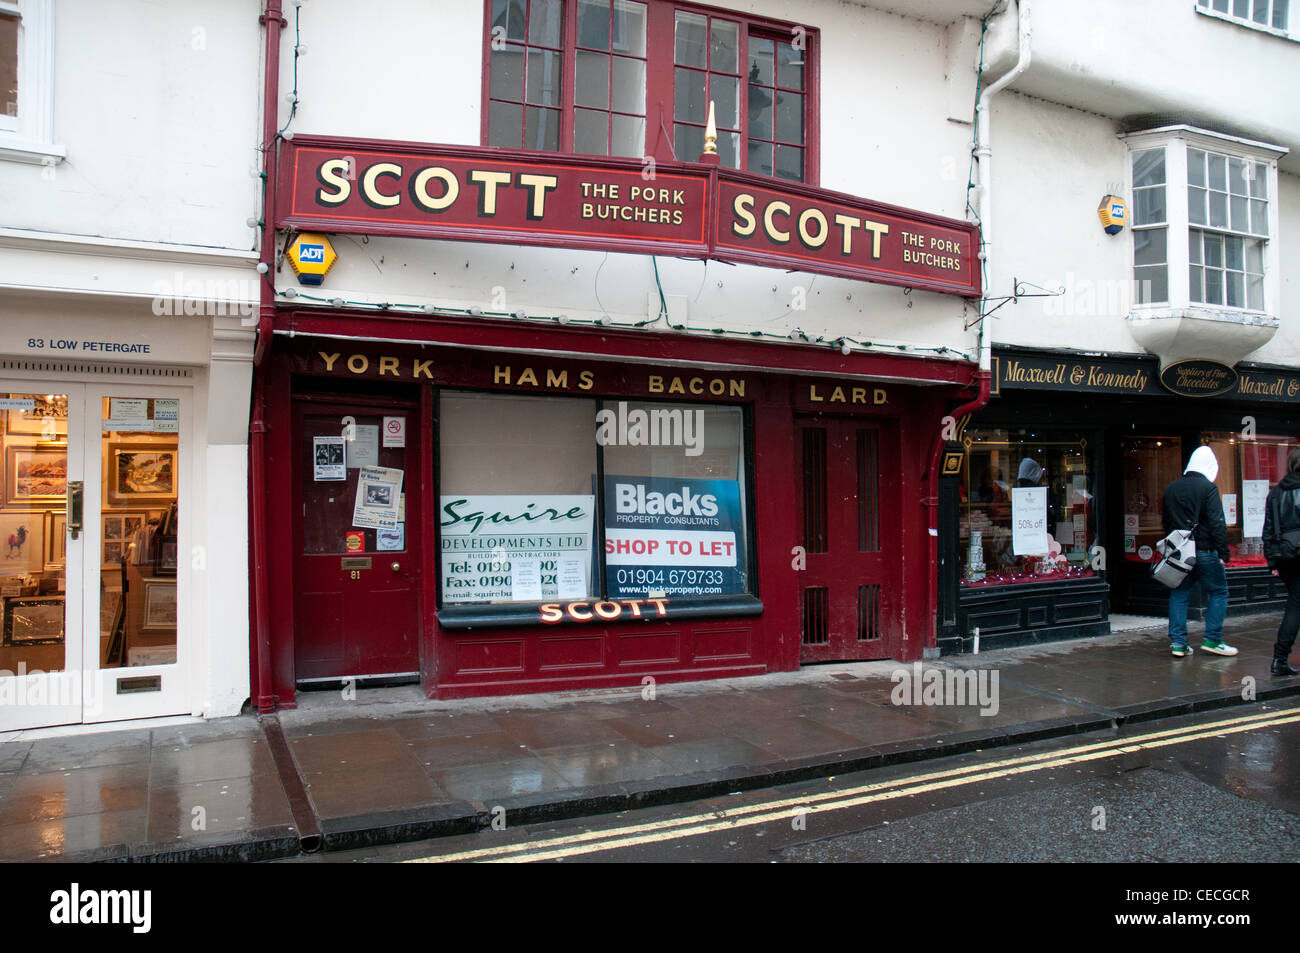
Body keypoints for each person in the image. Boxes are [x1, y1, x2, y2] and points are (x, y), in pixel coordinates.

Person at [1162, 445, 1234, 658]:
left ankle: (1178, 644)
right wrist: (1224, 553)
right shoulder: (1208, 488)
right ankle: (1213, 639)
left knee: (1179, 593)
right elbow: (1217, 523)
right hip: (1204, 550)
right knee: (1219, 591)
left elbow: (1166, 521)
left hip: (1180, 552)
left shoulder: (1171, 488)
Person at [1262, 447, 1300, 676]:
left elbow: (1267, 530)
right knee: (1295, 607)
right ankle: (1280, 658)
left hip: (1284, 556)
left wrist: (1272, 562)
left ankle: (1281, 658)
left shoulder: (1275, 493)